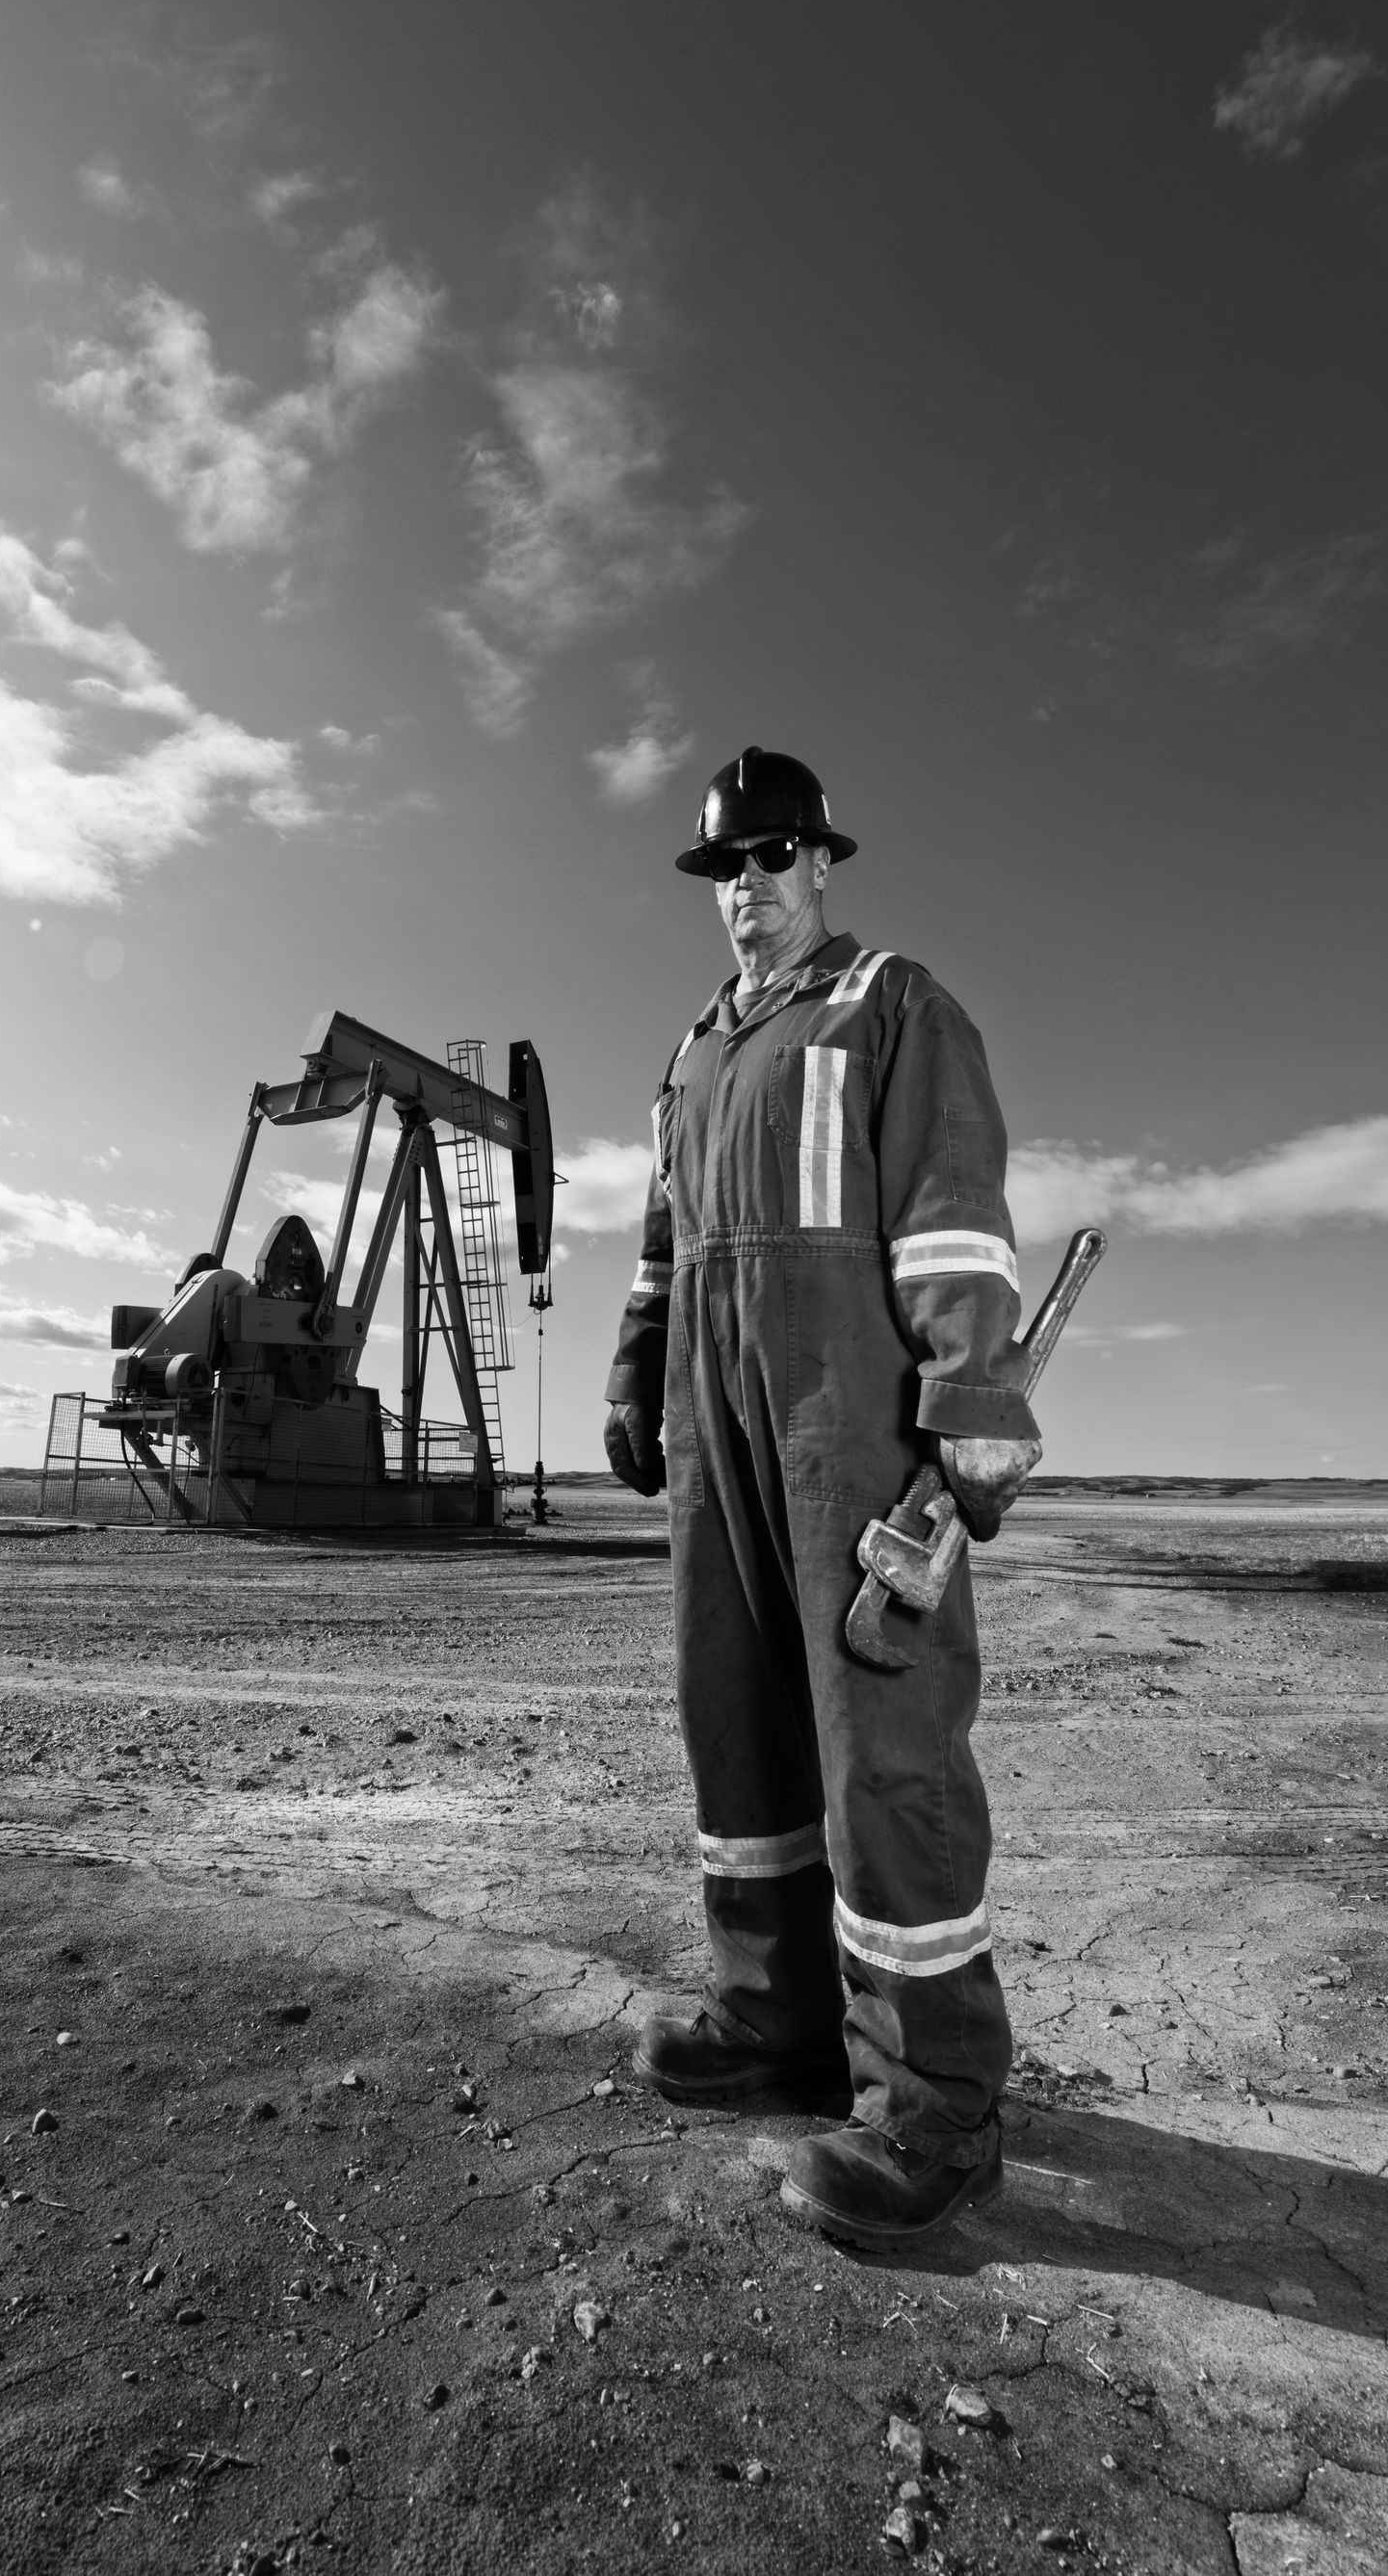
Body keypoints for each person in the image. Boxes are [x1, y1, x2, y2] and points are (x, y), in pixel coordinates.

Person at [604, 747, 1041, 2250]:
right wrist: (630, 1367)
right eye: (730, 865)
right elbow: (663, 1241)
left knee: (883, 1745)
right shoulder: (691, 1058)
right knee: (732, 1719)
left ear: (823, 865)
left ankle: (937, 2112)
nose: (751, 887)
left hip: (845, 1425)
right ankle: (775, 2019)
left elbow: (954, 1217)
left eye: (777, 857)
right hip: (713, 1431)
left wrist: (972, 1396)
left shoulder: (893, 1008)